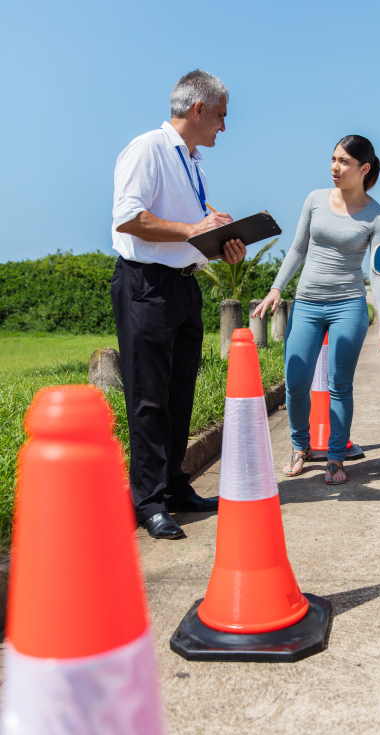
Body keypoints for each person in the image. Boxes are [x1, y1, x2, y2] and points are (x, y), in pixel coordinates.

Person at [111, 70, 246, 540]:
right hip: (145, 284)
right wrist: (192, 231)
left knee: (179, 390)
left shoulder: (193, 161)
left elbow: (187, 227)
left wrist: (219, 238)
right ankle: (147, 501)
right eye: (221, 116)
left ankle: (173, 485)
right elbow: (130, 217)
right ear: (198, 109)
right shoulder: (147, 148)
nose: (223, 128)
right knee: (148, 397)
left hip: (184, 284)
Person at [252, 134, 380, 485]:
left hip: (348, 304)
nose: (335, 167)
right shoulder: (315, 200)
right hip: (307, 302)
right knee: (296, 380)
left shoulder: (377, 218)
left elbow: (379, 271)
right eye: (333, 159)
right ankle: (300, 446)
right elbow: (298, 249)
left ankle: (335, 457)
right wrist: (276, 289)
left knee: (339, 384)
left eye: (344, 162)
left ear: (363, 168)